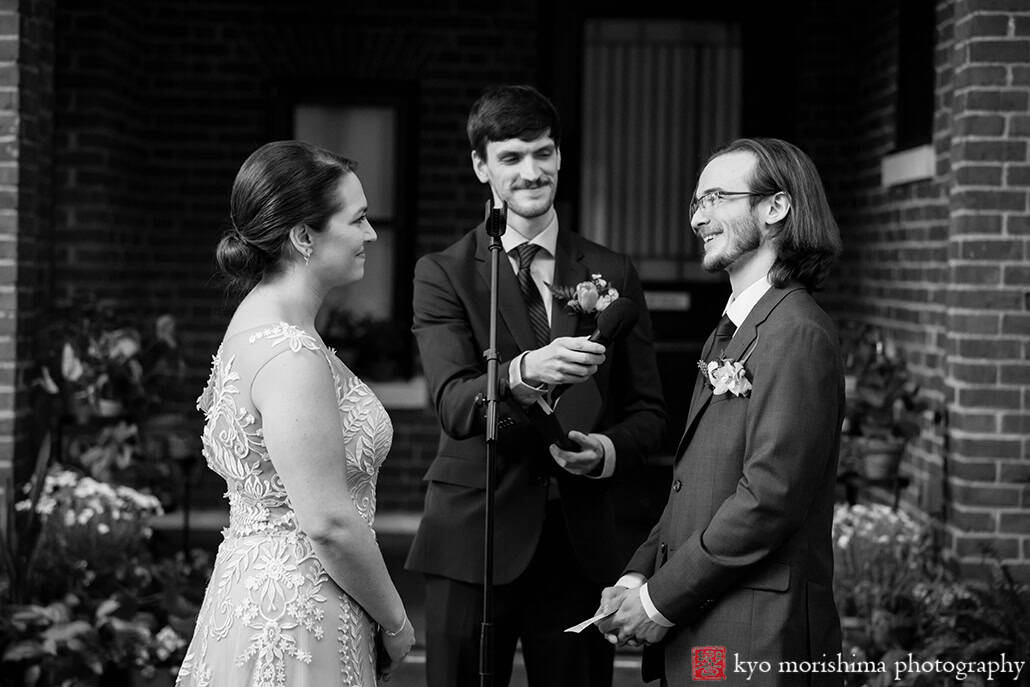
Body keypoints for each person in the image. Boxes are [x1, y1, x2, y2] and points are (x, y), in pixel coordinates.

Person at [405, 84, 666, 687]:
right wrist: (522, 373)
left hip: (577, 543)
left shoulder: (612, 270)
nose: (532, 172)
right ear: (481, 167)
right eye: (512, 157)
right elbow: (452, 403)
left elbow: (649, 411)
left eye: (543, 153)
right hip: (474, 536)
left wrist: (607, 452)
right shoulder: (442, 273)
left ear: (559, 156)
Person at [598, 137, 845, 686]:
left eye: (715, 198)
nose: (698, 217)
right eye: (695, 202)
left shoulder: (796, 332)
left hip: (756, 638)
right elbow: (696, 485)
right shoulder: (730, 333)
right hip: (707, 627)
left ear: (775, 208)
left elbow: (767, 499)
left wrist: (659, 601)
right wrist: (640, 571)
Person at [176, 140, 415, 686]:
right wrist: (397, 621)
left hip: (255, 592)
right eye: (356, 220)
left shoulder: (255, 321)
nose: (371, 234)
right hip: (298, 614)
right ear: (304, 237)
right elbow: (329, 522)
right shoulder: (290, 353)